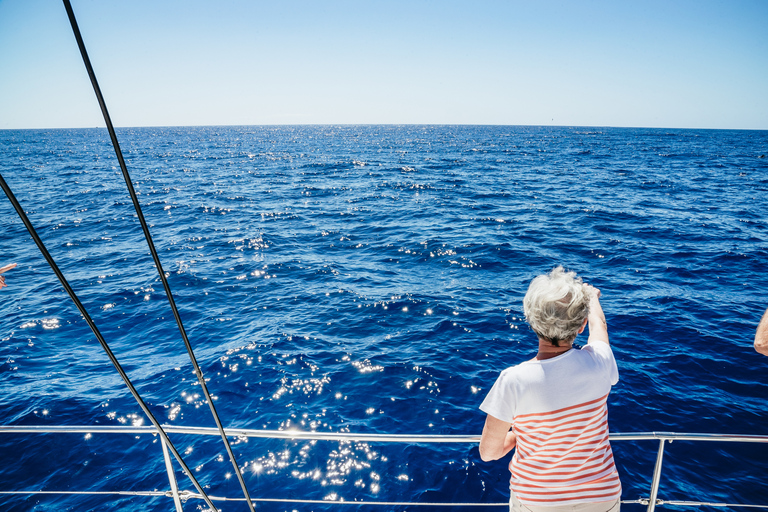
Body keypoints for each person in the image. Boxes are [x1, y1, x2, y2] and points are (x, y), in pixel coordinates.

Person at [479, 267, 621, 512]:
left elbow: (489, 453)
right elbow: (600, 329)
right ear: (581, 325)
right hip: (602, 497)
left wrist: (516, 435)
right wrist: (591, 298)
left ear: (533, 322)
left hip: (538, 502)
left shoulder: (513, 380)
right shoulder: (599, 362)